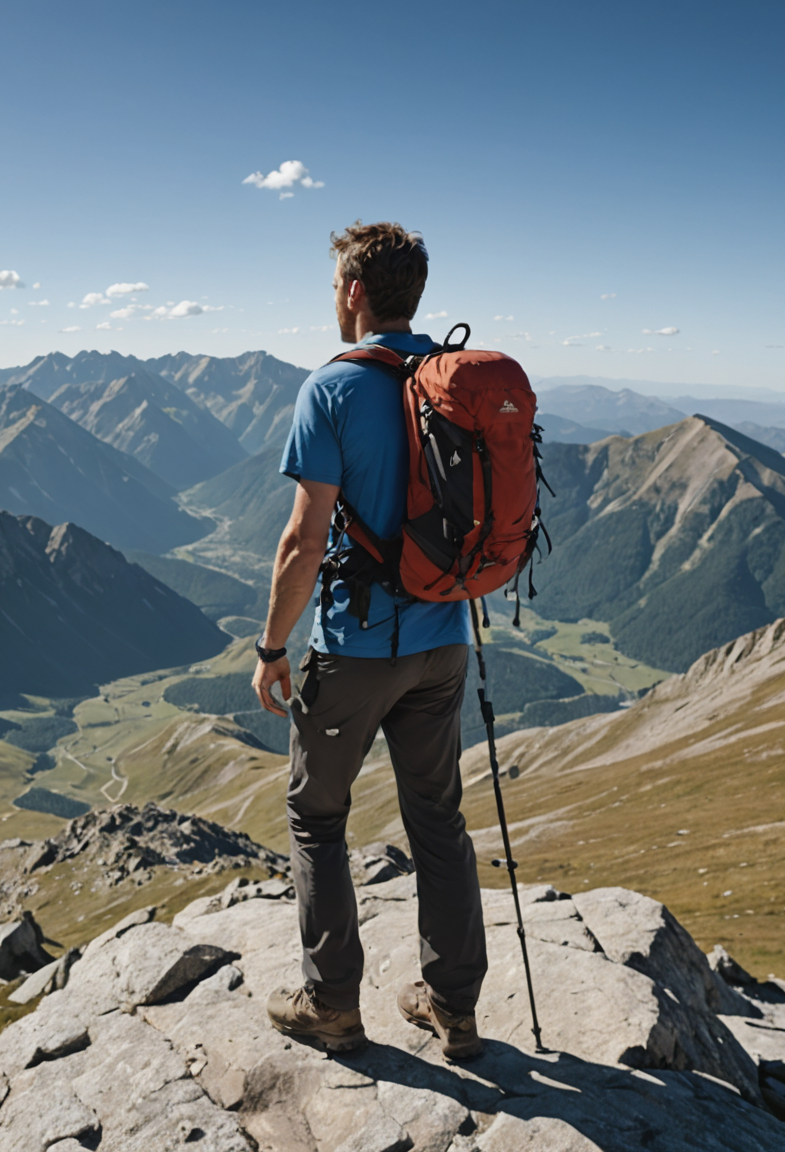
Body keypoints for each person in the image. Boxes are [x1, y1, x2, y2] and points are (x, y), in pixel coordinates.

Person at [250, 222, 487, 1060]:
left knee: (317, 817)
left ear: (353, 292)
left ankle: (332, 1004)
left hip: (354, 647)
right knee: (438, 820)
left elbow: (303, 540)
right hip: (446, 638)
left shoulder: (333, 388)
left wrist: (273, 647)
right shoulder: (449, 378)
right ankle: (453, 1008)